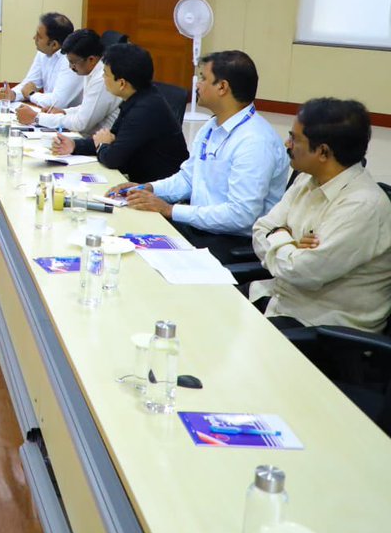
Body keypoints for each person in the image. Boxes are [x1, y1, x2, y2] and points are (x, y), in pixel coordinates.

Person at [109, 50, 289, 262]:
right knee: (125, 232)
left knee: (140, 259)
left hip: (230, 242)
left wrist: (169, 210)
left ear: (222, 87)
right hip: (199, 228)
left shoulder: (255, 142)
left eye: (203, 78)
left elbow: (241, 216)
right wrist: (148, 188)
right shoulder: (212, 126)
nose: (196, 84)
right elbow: (188, 179)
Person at [250, 99, 391, 332]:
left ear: (323, 152)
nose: (287, 144)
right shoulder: (307, 178)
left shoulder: (363, 206)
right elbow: (260, 228)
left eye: (294, 139)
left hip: (321, 329)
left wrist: (279, 236)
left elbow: (302, 272)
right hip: (277, 299)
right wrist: (289, 243)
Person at [52, 42, 188, 183]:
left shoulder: (144, 110)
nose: (103, 78)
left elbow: (112, 158)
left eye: (105, 74)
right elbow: (112, 138)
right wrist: (74, 145)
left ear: (122, 83)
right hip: (140, 181)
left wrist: (103, 145)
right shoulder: (136, 97)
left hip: (157, 191)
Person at [18, 28, 119, 135]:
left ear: (91, 59)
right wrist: (65, 112)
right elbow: (88, 107)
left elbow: (81, 124)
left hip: (102, 144)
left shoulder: (102, 78)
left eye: (73, 62)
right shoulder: (92, 70)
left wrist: (37, 118)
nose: (71, 67)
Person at [0, 12, 82, 110]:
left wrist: (32, 94)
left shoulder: (71, 62)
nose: (34, 38)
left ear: (54, 45)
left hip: (67, 120)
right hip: (49, 115)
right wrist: (13, 94)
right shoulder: (43, 52)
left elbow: (57, 103)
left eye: (39, 37)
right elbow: (30, 83)